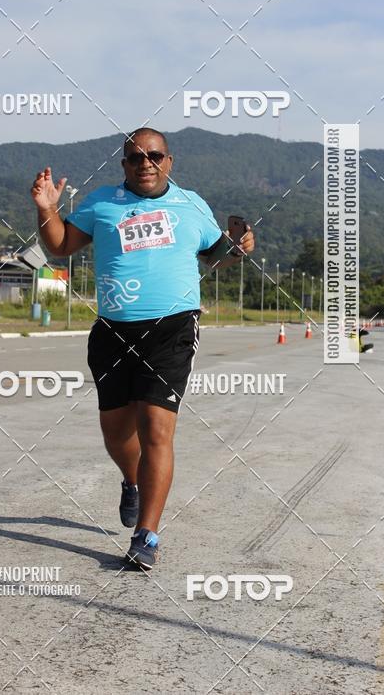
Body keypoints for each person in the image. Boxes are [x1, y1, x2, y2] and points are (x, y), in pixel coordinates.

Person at [31, 127, 255, 569]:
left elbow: (214, 254)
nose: (145, 164)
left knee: (155, 427)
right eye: (136, 158)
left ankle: (147, 534)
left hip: (172, 328)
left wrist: (239, 248)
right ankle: (131, 481)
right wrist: (47, 209)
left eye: (154, 156)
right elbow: (58, 246)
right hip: (114, 330)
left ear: (169, 161)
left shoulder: (191, 204)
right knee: (116, 432)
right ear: (124, 166)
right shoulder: (101, 203)